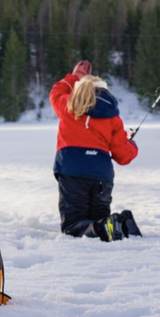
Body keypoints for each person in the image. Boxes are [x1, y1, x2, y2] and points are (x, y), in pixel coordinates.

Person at [49, 60, 141, 242]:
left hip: (72, 172)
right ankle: (122, 223)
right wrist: (132, 145)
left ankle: (109, 226)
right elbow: (123, 156)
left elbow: (56, 92)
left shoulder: (68, 106)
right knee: (100, 221)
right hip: (101, 176)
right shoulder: (112, 117)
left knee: (72, 226)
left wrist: (75, 76)